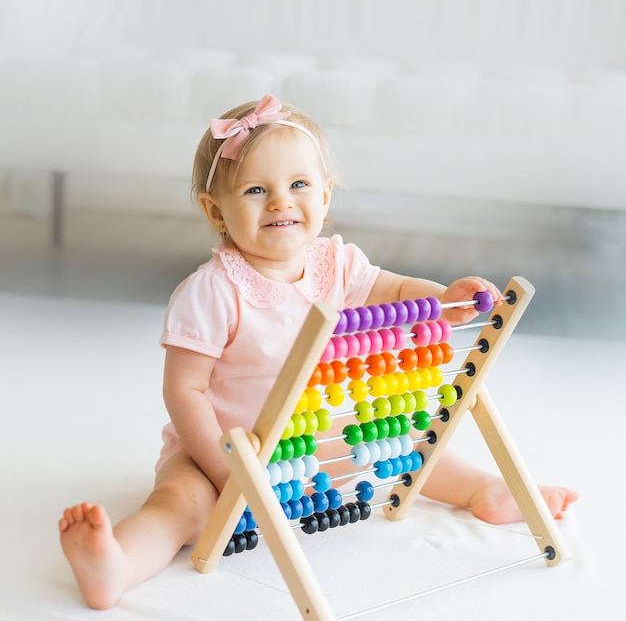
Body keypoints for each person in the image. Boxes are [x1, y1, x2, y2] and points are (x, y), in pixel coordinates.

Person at [59, 94, 578, 610]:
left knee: (411, 441)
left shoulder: (338, 264)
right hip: (217, 452)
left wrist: (442, 299)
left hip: (308, 437)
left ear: (325, 197)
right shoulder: (212, 291)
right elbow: (184, 388)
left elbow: (395, 291)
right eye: (257, 189)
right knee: (180, 506)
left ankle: (485, 490)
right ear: (215, 211)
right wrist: (226, 471)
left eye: (299, 185)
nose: (281, 201)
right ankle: (115, 564)